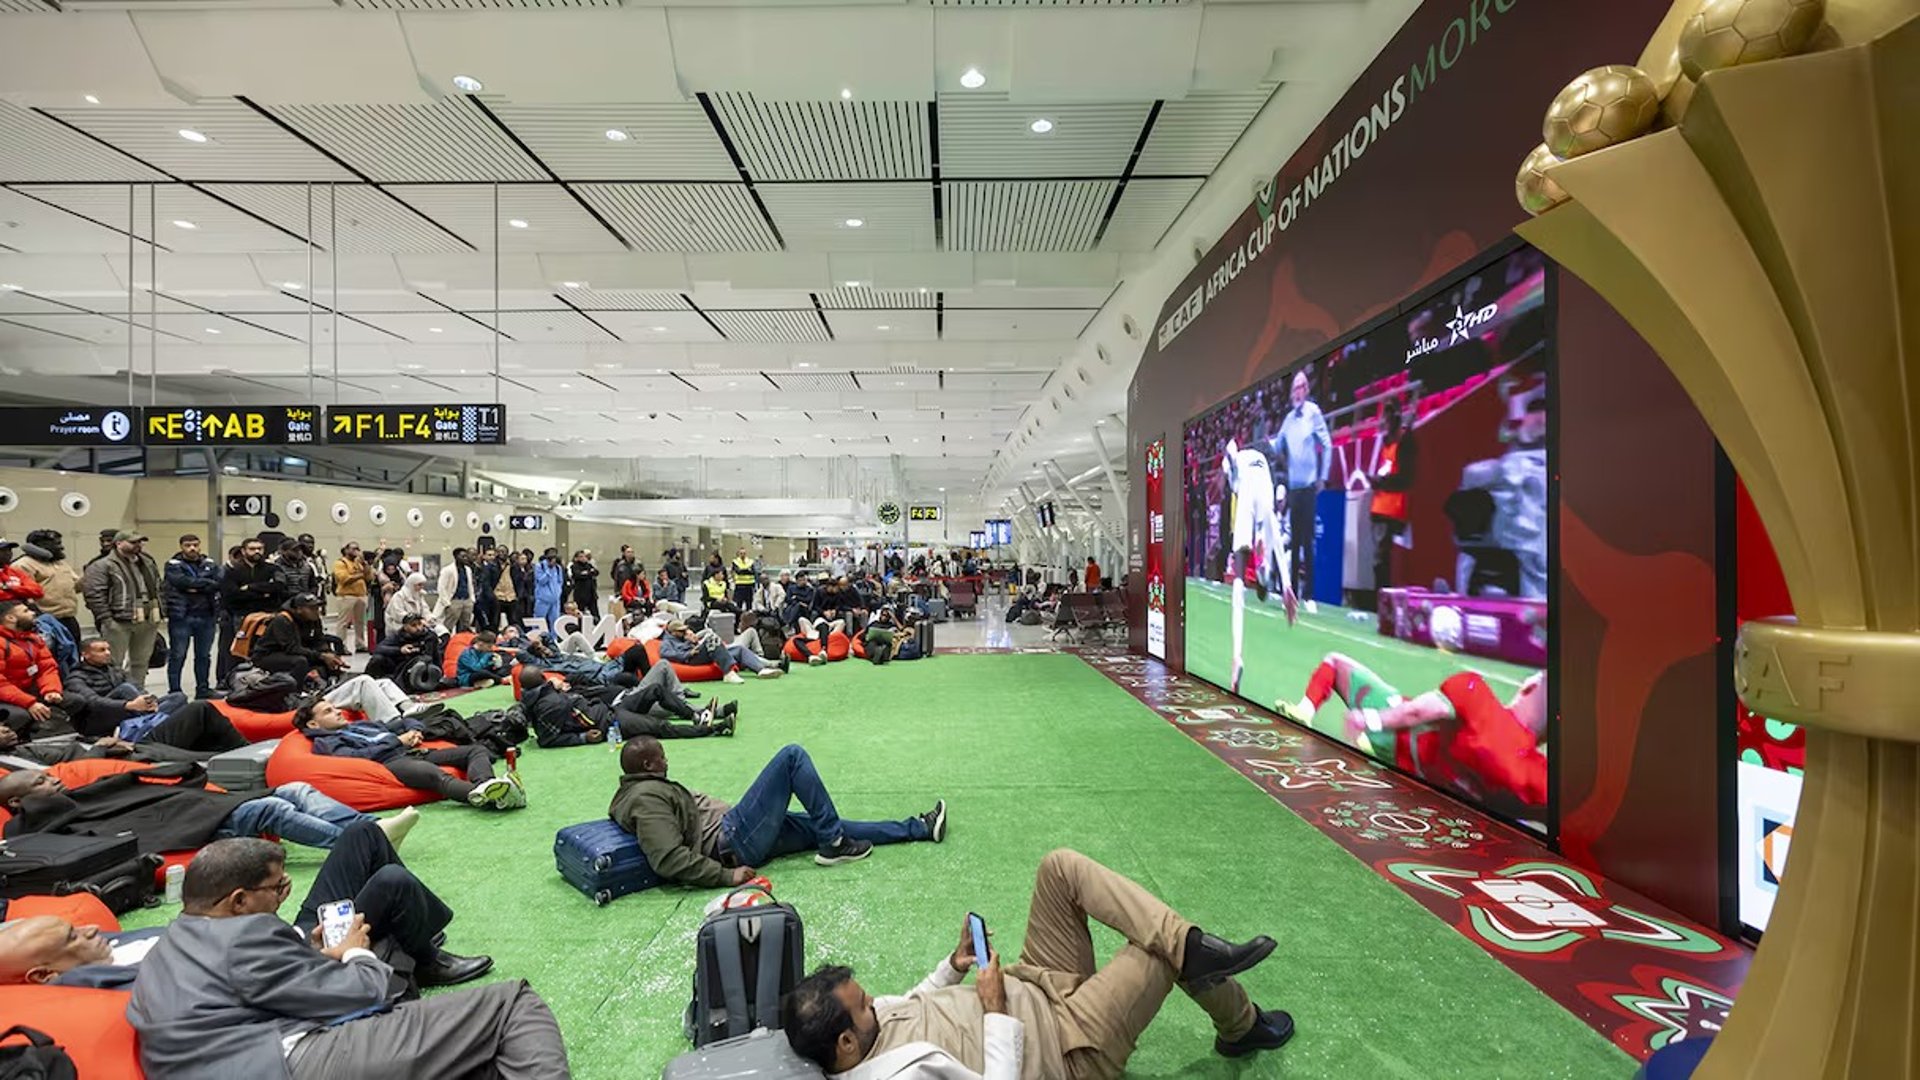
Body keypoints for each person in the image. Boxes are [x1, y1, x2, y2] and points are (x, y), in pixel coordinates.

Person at [780, 850, 1293, 1079]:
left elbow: (911, 1003)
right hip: (1069, 1045)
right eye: (865, 1006)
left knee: (1059, 868)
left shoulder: (860, 1031)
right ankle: (1238, 1021)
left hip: (1037, 979)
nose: (876, 1004)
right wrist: (996, 1008)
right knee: (1158, 949)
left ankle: (1191, 946)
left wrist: (953, 965)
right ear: (845, 1044)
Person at [125, 835, 568, 1079]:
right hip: (282, 1062)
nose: (284, 895)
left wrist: (316, 953)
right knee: (513, 1004)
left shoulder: (175, 940)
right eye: (277, 889)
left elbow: (254, 984)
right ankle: (425, 957)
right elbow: (364, 993)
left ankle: (424, 960)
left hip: (243, 1051)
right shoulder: (248, 934)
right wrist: (354, 953)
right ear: (238, 900)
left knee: (485, 1059)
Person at [0, 815, 487, 992]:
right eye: (73, 936)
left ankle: (417, 929)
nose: (89, 930)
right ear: (45, 974)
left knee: (362, 836)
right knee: (391, 882)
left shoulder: (113, 946)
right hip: (300, 955)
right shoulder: (103, 982)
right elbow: (245, 982)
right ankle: (425, 957)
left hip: (285, 937)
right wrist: (322, 955)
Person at [611, 738, 945, 886]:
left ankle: (918, 828)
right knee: (792, 757)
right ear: (647, 764)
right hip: (735, 841)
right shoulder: (645, 799)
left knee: (828, 825)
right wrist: (727, 876)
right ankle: (833, 844)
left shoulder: (644, 790)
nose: (667, 761)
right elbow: (668, 858)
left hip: (739, 833)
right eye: (662, 757)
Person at [1277, 652, 1548, 814]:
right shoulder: (1537, 775)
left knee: (1334, 661)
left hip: (1396, 739)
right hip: (1427, 795)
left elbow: (1416, 712)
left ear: (1528, 688)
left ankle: (1305, 710)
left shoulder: (1476, 695)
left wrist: (1370, 719)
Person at [0, 763, 388, 855]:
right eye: (40, 783)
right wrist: (41, 805)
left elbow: (128, 780)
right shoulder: (26, 828)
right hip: (195, 826)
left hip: (200, 805)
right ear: (18, 802)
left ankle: (371, 826)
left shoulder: (79, 793)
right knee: (271, 807)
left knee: (295, 787)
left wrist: (180, 771)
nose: (53, 782)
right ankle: (358, 843)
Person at [296, 698, 520, 810]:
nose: (337, 712)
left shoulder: (355, 726)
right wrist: (397, 740)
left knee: (476, 749)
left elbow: (397, 723)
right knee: (435, 777)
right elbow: (357, 758)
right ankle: (490, 798)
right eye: (328, 712)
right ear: (314, 724)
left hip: (409, 751)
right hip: (389, 764)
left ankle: (488, 784)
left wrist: (414, 731)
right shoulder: (326, 742)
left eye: (334, 708)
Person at [1221, 437, 1294, 696]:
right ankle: (1266, 572)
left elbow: (1230, 461)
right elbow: (1275, 523)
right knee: (1269, 528)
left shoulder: (1240, 456)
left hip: (1242, 486)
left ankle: (1237, 656)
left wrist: (1230, 459)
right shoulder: (1266, 465)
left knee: (1238, 581)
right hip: (1262, 492)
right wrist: (1287, 585)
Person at [519, 665, 730, 748]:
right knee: (660, 727)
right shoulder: (549, 704)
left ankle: (696, 714)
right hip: (610, 723)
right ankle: (712, 729)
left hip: (611, 708)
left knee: (655, 689)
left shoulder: (548, 694)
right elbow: (547, 740)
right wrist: (583, 738)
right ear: (541, 679)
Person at [1274, 370, 1331, 616]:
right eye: (1294, 388)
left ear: (1306, 390)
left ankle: (1309, 596)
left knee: (1308, 542)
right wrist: (1271, 443)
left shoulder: (1313, 413)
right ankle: (1292, 594)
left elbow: (1327, 444)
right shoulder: (1287, 419)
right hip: (1294, 488)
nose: (1297, 392)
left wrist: (1323, 476)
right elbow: (1278, 445)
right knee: (1295, 542)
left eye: (1300, 387)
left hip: (1308, 486)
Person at [61, 637, 188, 738]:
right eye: (101, 650)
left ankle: (150, 719)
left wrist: (149, 700)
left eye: (108, 649)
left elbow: (137, 687)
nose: (108, 653)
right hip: (95, 719)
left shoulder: (115, 670)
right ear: (86, 654)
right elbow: (93, 702)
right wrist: (128, 705)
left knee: (178, 697)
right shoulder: (76, 677)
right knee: (125, 688)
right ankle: (154, 720)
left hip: (128, 710)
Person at [81, 529, 163, 672]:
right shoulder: (101, 565)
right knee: (113, 662)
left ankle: (137, 690)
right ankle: (115, 692)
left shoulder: (148, 562)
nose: (138, 545)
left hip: (148, 618)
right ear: (118, 543)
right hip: (118, 620)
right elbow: (94, 595)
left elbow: (159, 587)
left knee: (141, 662)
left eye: (140, 542)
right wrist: (107, 620)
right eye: (133, 542)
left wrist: (162, 610)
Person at [0, 600, 70, 747]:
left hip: (24, 690)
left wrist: (51, 690)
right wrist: (29, 702)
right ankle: (12, 746)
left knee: (74, 701)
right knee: (20, 715)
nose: (33, 613)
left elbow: (47, 668)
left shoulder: (34, 639)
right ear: (10, 618)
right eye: (26, 611)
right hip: (6, 695)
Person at [161, 533, 222, 700]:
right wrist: (204, 584)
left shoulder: (209, 563)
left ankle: (203, 689)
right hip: (181, 616)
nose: (192, 548)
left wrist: (195, 586)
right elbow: (180, 582)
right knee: (178, 655)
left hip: (206, 615)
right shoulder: (173, 564)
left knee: (203, 656)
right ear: (181, 547)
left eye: (195, 545)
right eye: (188, 545)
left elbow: (218, 583)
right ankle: (175, 691)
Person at [218, 536, 284, 681]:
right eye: (252, 549)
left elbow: (278, 587)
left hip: (267, 616)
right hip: (241, 615)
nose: (256, 552)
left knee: (265, 649)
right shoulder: (232, 571)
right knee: (238, 650)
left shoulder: (273, 569)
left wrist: (251, 587)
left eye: (259, 549)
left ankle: (264, 679)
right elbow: (232, 594)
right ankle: (234, 680)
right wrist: (263, 592)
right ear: (243, 551)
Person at [253, 594, 349, 685]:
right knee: (300, 661)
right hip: (268, 655)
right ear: (299, 609)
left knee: (327, 661)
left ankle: (327, 685)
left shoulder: (314, 620)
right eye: (312, 608)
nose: (316, 611)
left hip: (294, 651)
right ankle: (294, 692)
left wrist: (329, 655)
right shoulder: (282, 620)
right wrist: (321, 655)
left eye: (317, 608)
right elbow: (291, 648)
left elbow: (319, 640)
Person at [661, 619, 783, 685]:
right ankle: (728, 673)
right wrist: (687, 654)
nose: (684, 633)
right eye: (681, 631)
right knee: (711, 638)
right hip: (691, 659)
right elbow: (666, 654)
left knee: (739, 649)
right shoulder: (668, 641)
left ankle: (760, 669)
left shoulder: (681, 638)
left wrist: (692, 641)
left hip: (698, 652)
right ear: (673, 632)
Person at [16, 529, 82, 641]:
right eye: (57, 544)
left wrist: (89, 575)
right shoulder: (23, 565)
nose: (61, 548)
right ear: (41, 545)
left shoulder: (61, 564)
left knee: (73, 655)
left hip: (68, 618)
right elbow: (24, 596)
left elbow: (76, 587)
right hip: (44, 621)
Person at [330, 543, 377, 654]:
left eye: (358, 549)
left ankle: (360, 644)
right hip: (346, 596)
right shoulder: (340, 563)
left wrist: (365, 564)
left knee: (360, 622)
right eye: (354, 548)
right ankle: (340, 646)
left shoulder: (359, 563)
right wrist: (361, 575)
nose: (357, 551)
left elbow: (369, 577)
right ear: (346, 550)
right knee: (344, 623)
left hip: (361, 595)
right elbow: (344, 579)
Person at [366, 612, 436, 681]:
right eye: (413, 625)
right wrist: (400, 650)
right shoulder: (398, 635)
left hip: (418, 668)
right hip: (397, 665)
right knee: (377, 658)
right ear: (405, 626)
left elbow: (434, 655)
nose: (418, 628)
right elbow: (379, 648)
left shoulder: (429, 636)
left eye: (419, 624)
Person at [271, 538, 319, 602]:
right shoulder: (277, 567)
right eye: (294, 550)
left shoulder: (307, 567)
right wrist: (298, 597)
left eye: (300, 549)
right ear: (284, 551)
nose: (298, 552)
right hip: (286, 603)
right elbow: (280, 590)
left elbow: (314, 585)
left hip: (306, 602)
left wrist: (310, 595)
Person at [532, 550, 565, 635]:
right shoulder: (540, 566)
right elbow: (542, 581)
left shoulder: (558, 568)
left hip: (555, 600)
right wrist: (548, 570)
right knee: (539, 620)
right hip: (543, 599)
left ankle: (554, 639)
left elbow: (560, 581)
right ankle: (537, 638)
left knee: (555, 621)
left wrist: (558, 592)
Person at [473, 547, 503, 632]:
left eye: (493, 555)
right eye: (489, 555)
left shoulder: (496, 567)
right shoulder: (478, 567)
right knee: (483, 622)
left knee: (494, 621)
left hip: (493, 597)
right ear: (484, 556)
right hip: (481, 598)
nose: (492, 557)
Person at [569, 550, 600, 622]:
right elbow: (578, 575)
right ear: (576, 558)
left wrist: (587, 573)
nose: (583, 558)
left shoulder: (588, 565)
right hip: (580, 595)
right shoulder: (574, 566)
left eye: (584, 556)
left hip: (591, 594)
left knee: (595, 613)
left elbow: (596, 572)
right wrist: (589, 573)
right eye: (581, 557)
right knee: (579, 613)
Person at [730, 548, 758, 612]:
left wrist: (743, 570)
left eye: (744, 553)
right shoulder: (735, 562)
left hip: (749, 586)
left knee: (749, 605)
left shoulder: (751, 561)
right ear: (738, 554)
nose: (743, 555)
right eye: (741, 553)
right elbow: (738, 571)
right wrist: (747, 570)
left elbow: (753, 572)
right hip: (740, 585)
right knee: (739, 605)